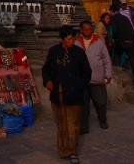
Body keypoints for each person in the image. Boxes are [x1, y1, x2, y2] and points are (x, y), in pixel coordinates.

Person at [42, 25, 91, 164]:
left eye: (73, 39)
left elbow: (87, 72)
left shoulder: (79, 52)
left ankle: (72, 151)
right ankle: (63, 149)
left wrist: (79, 86)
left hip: (73, 95)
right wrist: (47, 81)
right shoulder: (53, 51)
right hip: (57, 95)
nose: (72, 41)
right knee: (61, 123)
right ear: (62, 39)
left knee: (73, 124)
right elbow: (46, 69)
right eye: (69, 39)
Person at [76, 21, 112, 133]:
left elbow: (106, 59)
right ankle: (83, 127)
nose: (88, 31)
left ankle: (103, 120)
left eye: (90, 29)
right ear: (81, 30)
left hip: (97, 79)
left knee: (101, 102)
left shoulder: (99, 42)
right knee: (83, 105)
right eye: (85, 29)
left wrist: (108, 74)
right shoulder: (76, 43)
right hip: (82, 80)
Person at [112, 2, 134, 92]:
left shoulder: (114, 18)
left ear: (112, 11)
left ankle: (117, 79)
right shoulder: (125, 17)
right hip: (132, 41)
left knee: (115, 58)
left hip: (121, 42)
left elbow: (115, 31)